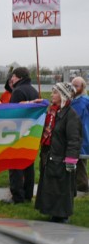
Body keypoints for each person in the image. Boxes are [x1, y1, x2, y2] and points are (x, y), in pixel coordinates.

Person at [35, 82, 82, 223]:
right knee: (52, 188)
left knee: (61, 188)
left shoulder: (71, 115)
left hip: (62, 159)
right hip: (50, 157)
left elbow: (74, 140)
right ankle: (54, 214)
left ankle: (62, 217)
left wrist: (71, 160)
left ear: (63, 96)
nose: (51, 94)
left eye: (55, 92)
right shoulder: (53, 112)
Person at [6, 67, 39, 204]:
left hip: (18, 132)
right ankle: (28, 194)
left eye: (13, 77)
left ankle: (17, 196)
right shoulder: (33, 90)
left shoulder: (18, 91)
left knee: (15, 165)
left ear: (18, 77)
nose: (11, 79)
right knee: (28, 164)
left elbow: (13, 113)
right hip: (31, 133)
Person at [71, 76, 89, 192]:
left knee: (80, 161)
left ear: (82, 87)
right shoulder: (75, 100)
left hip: (81, 134)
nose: (74, 88)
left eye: (76, 86)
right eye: (72, 85)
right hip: (78, 134)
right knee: (75, 160)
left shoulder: (83, 101)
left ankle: (82, 186)